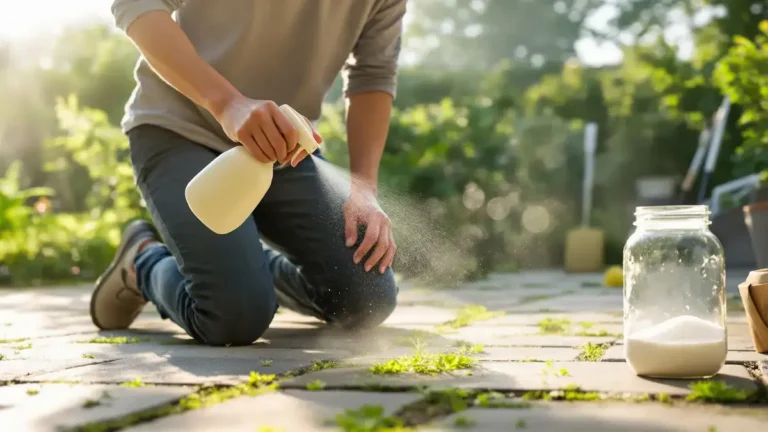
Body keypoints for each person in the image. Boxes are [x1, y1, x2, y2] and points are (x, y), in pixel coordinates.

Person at [91, 0, 405, 346]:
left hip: (286, 152)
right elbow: (136, 5)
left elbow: (373, 75)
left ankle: (243, 267)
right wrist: (227, 103)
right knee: (233, 318)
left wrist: (363, 188)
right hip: (179, 131)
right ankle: (143, 262)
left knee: (367, 299)